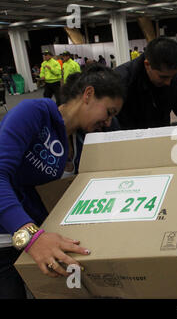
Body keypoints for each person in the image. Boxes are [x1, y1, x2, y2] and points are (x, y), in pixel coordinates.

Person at [0, 64, 125, 299]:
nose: (108, 122)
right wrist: (31, 237)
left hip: (40, 237)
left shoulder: (81, 141)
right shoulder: (34, 113)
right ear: (88, 95)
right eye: (108, 112)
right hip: (8, 239)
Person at [114, 37, 177, 130]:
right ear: (147, 65)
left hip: (159, 136)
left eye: (173, 75)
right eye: (163, 77)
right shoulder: (122, 81)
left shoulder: (171, 77)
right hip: (130, 139)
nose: (168, 83)